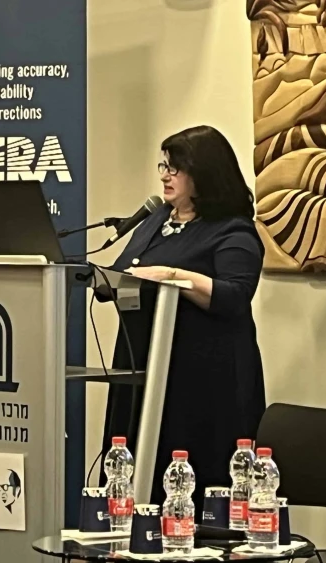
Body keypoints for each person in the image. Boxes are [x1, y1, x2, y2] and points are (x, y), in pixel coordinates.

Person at [99, 125, 266, 514]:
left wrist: (172, 276)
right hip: (142, 370)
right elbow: (122, 275)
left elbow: (234, 295)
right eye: (163, 166)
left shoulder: (233, 231)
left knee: (190, 487)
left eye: (175, 168)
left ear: (203, 173)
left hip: (203, 383)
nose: (164, 175)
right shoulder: (156, 220)